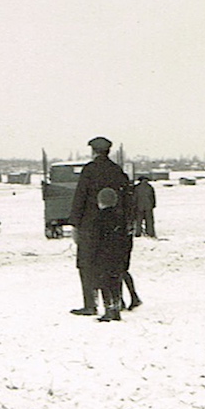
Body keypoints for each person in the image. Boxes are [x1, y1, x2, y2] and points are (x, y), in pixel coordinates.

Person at [67, 136, 130, 316]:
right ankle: (114, 304)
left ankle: (91, 304)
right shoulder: (117, 171)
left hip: (90, 228)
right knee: (112, 266)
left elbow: (80, 197)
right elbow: (127, 199)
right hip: (115, 227)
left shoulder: (90, 170)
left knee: (86, 266)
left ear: (93, 151)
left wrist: (75, 224)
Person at [90, 187, 133, 322]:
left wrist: (93, 257)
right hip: (118, 255)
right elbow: (127, 239)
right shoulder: (120, 217)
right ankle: (116, 306)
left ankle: (109, 309)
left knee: (104, 283)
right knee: (115, 282)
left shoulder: (98, 219)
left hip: (103, 256)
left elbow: (95, 240)